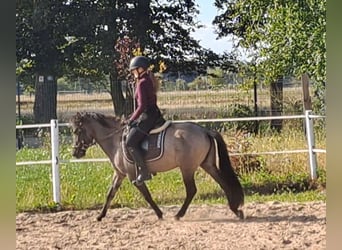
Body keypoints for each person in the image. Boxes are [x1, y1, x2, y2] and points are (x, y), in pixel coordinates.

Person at [125, 55, 165, 186]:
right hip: (152, 113)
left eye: (133, 70)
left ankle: (144, 171)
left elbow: (141, 106)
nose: (132, 72)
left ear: (140, 69)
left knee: (130, 142)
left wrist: (132, 119)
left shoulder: (142, 83)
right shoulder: (146, 80)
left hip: (148, 116)